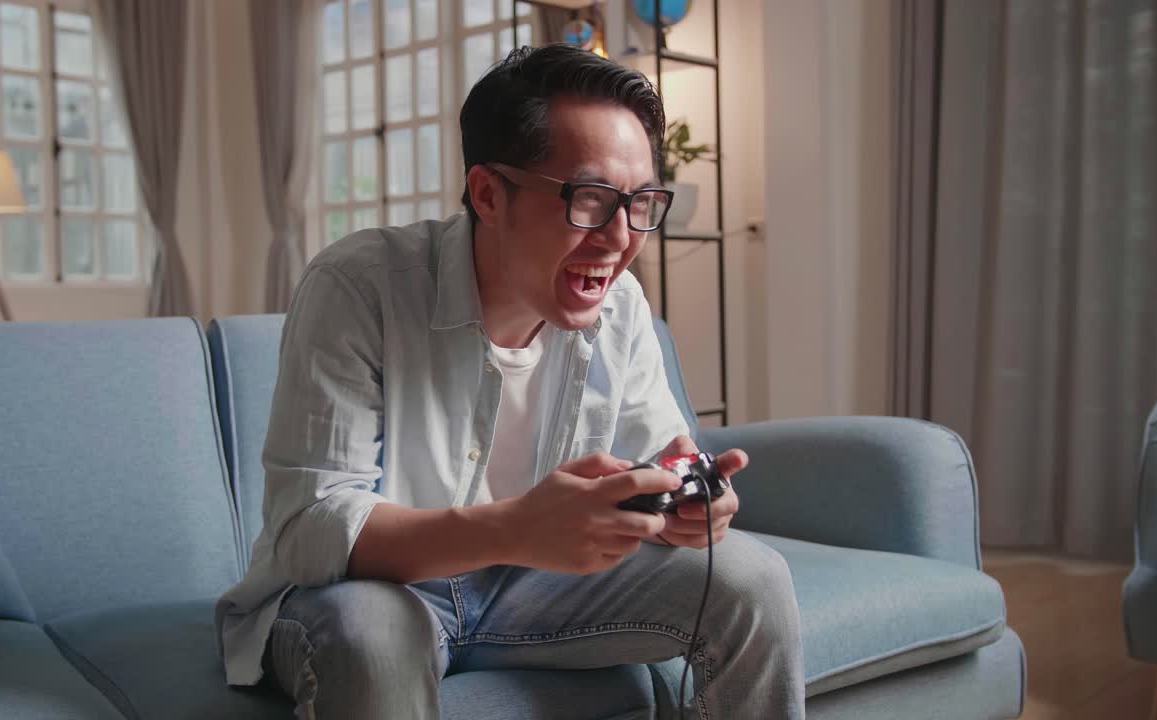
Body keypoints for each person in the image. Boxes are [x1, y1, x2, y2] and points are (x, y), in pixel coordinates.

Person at [215, 44, 805, 719]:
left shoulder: (622, 306)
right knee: (376, 641)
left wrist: (686, 500)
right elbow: (311, 527)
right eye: (589, 200)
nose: (620, 236)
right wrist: (513, 530)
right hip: (374, 590)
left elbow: (659, 453)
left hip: (534, 590)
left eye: (642, 203)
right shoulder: (359, 288)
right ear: (490, 193)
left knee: (750, 581)